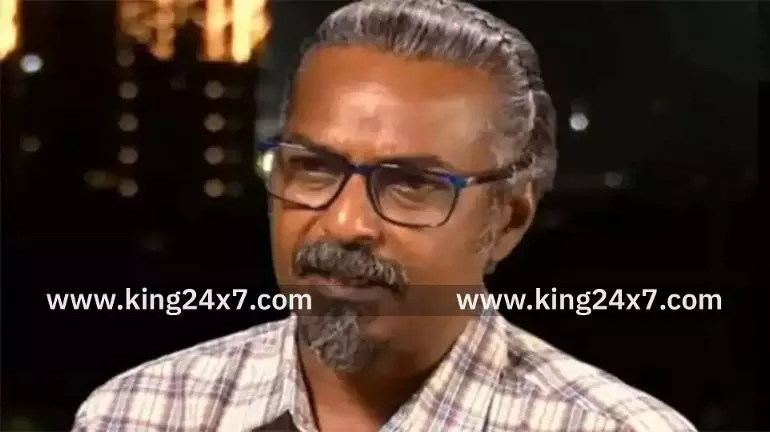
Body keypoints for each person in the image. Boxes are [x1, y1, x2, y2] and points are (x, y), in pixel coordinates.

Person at [73, 1, 697, 431]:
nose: (345, 223)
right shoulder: (139, 414)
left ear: (507, 221)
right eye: (314, 168)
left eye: (411, 184)